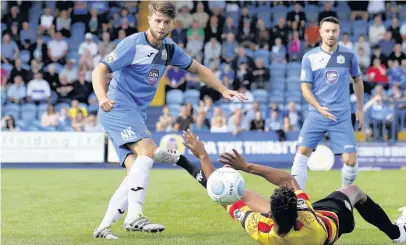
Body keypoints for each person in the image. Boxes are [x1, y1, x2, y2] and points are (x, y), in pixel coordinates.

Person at [91, 1, 247, 239]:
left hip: (136, 113)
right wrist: (102, 96)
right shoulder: (132, 44)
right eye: (157, 21)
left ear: (173, 24)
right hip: (117, 106)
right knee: (148, 151)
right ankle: (134, 217)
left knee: (136, 170)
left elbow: (198, 69)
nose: (161, 27)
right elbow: (99, 70)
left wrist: (223, 89)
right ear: (149, 20)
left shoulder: (170, 50)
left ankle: (103, 228)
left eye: (166, 22)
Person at [181, 130, 406, 245]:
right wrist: (247, 166)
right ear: (299, 210)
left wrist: (201, 155)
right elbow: (288, 180)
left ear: (271, 215)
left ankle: (182, 162)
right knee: (355, 191)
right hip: (335, 221)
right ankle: (397, 234)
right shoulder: (307, 220)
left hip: (298, 228)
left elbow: (224, 198)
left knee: (241, 194)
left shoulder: (261, 230)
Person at [291, 17, 365, 190]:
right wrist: (318, 108)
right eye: (327, 31)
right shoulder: (310, 57)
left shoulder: (348, 55)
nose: (331, 34)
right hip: (317, 113)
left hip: (341, 115)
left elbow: (358, 81)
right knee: (301, 154)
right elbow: (305, 89)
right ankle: (297, 200)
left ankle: (344, 196)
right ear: (320, 32)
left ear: (338, 32)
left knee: (350, 160)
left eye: (334, 31)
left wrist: (360, 109)